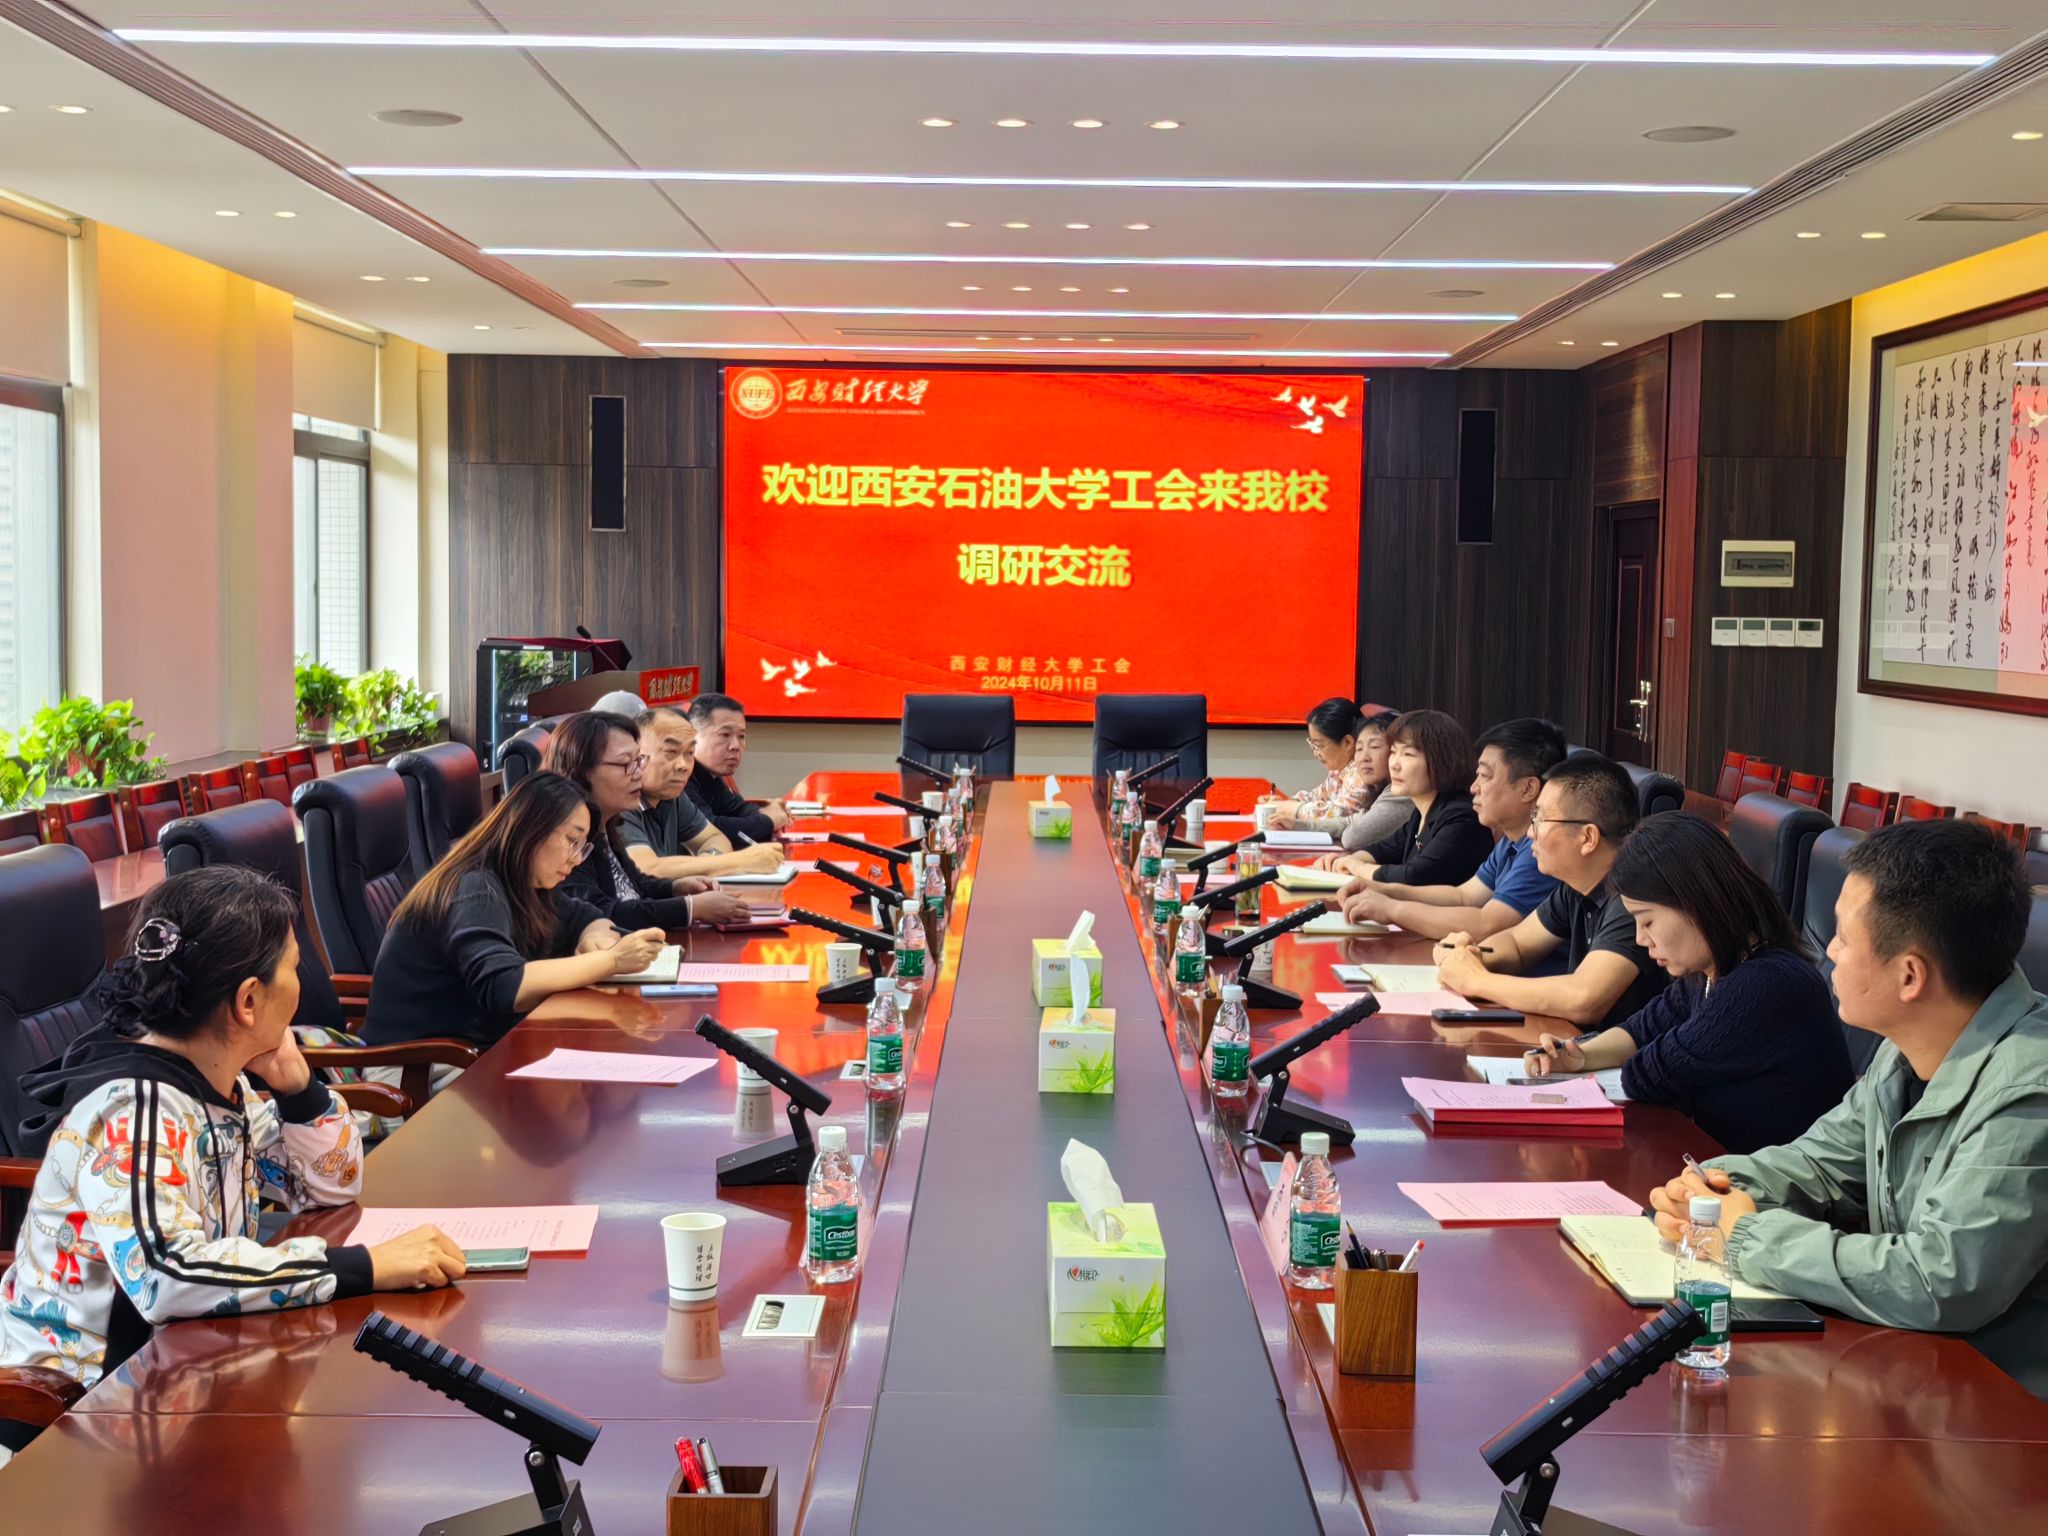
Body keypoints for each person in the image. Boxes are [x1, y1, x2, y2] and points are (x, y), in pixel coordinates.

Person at [0, 868, 465, 1463]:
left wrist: (297, 1087)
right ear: (248, 1002)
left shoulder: (218, 1083)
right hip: (79, 1414)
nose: (300, 980)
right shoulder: (132, 1112)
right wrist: (364, 1266)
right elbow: (168, 1275)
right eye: (294, 966)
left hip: (180, 1367)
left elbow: (329, 1185)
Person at [1648, 819, 2048, 1394]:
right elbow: (1820, 1161)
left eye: (1841, 937)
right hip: (1910, 1369)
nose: (1828, 952)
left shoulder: (2029, 1091)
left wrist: (1746, 1235)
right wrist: (1712, 1189)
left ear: (1910, 976)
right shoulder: (1908, 1045)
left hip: (2003, 1407)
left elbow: (1941, 1281)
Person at [1527, 812, 1852, 1153]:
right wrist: (1579, 1056)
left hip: (1778, 1183)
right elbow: (1640, 1030)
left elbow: (1648, 1075)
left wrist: (1619, 1059)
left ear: (1696, 903)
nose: (1640, 938)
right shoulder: (1710, 972)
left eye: (1647, 921)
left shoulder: (1767, 984)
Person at [367, 771, 672, 1049]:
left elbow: (587, 916)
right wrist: (610, 960)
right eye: (572, 840)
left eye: (583, 847)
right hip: (422, 1062)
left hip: (482, 1049)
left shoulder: (525, 881)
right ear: (532, 828)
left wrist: (595, 937)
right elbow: (505, 986)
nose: (577, 859)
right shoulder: (475, 887)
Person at [1434, 753, 1664, 1029]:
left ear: (1588, 838)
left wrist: (1476, 980)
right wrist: (1467, 954)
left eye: (1540, 819)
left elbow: (1584, 999)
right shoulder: (1576, 888)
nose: (1531, 833)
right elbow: (1517, 945)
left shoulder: (1633, 897)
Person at [1338, 718, 1566, 949]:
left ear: (1528, 788)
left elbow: (1487, 924)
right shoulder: (1511, 840)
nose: (1474, 787)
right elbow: (1463, 896)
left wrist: (1392, 909)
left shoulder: (1541, 850)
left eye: (1485, 776)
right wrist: (1383, 890)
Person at [547, 712, 752, 928]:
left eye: (639, 761)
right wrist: (689, 908)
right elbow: (597, 913)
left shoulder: (605, 822)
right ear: (582, 770)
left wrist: (676, 888)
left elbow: (636, 883)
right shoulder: (564, 836)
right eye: (626, 763)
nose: (639, 773)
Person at [1320, 709, 1492, 888]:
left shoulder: (1461, 817)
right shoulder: (1422, 811)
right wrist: (1346, 861)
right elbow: (1384, 849)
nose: (1394, 764)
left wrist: (1357, 867)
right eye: (1393, 752)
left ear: (1442, 761)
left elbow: (1414, 876)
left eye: (1407, 754)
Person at [621, 707, 785, 882]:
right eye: (671, 752)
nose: (683, 765)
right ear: (636, 756)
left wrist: (708, 862)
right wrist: (741, 861)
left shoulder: (673, 797)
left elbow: (715, 838)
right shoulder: (619, 800)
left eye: (689, 753)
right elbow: (645, 868)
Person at [1309, 709, 1409, 862]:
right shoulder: (1378, 788)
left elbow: (1353, 837)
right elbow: (1349, 821)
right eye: (1359, 749)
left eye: (1374, 747)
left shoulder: (1401, 793)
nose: (1364, 758)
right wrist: (1296, 825)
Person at [685, 693, 785, 845]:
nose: (735, 746)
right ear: (692, 736)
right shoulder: (680, 776)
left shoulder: (711, 776)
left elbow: (739, 809)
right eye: (725, 734)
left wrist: (766, 814)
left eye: (741, 736)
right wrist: (769, 821)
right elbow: (710, 831)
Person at [1262, 699, 1374, 833]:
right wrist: (1286, 803)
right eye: (1313, 745)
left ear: (1347, 743)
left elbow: (1340, 813)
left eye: (1319, 745)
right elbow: (1316, 796)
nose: (1315, 753)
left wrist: (1294, 809)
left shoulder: (1362, 772)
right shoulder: (1338, 771)